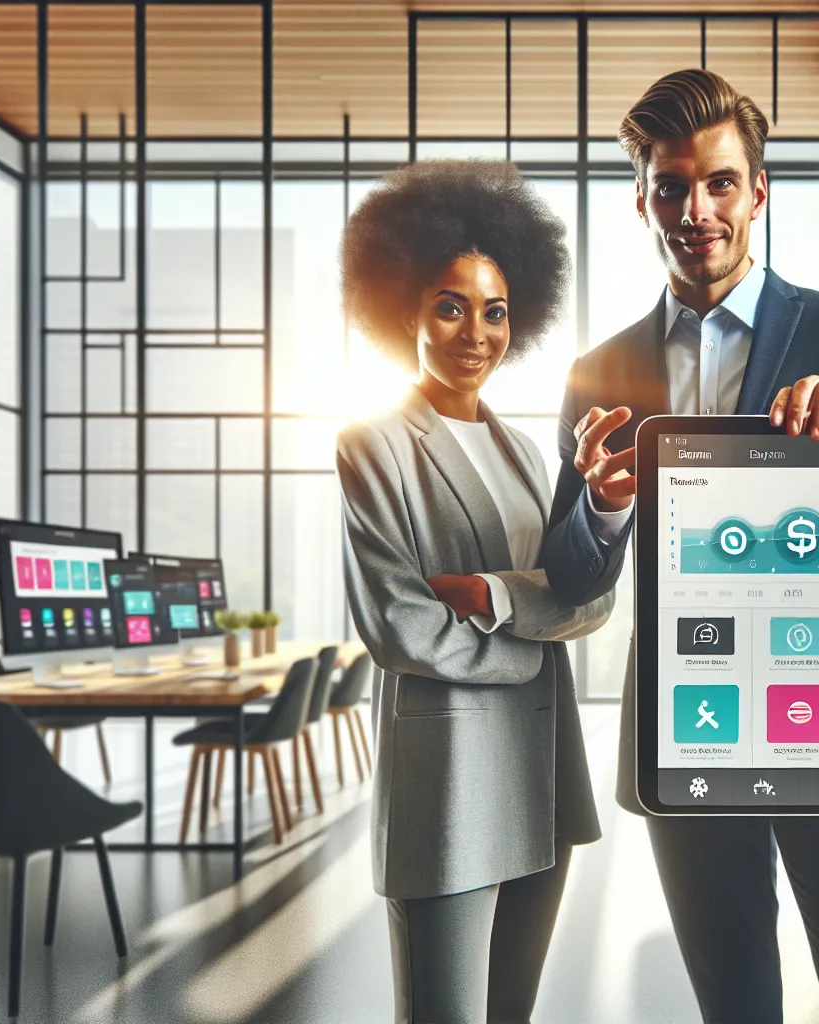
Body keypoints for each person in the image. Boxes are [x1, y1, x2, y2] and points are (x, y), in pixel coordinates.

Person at [538, 69, 819, 1024]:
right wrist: (605, 505)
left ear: (757, 192)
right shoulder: (600, 371)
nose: (694, 209)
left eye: (718, 183)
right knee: (735, 1008)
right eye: (670, 185)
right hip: (691, 720)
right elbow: (570, 577)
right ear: (641, 198)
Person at [335, 160, 613, 1024]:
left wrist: (493, 596)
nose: (475, 331)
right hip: (449, 784)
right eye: (450, 305)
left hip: (543, 777)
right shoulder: (373, 446)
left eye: (495, 310)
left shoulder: (531, 457)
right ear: (405, 309)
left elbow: (592, 604)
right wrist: (538, 631)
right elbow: (399, 627)